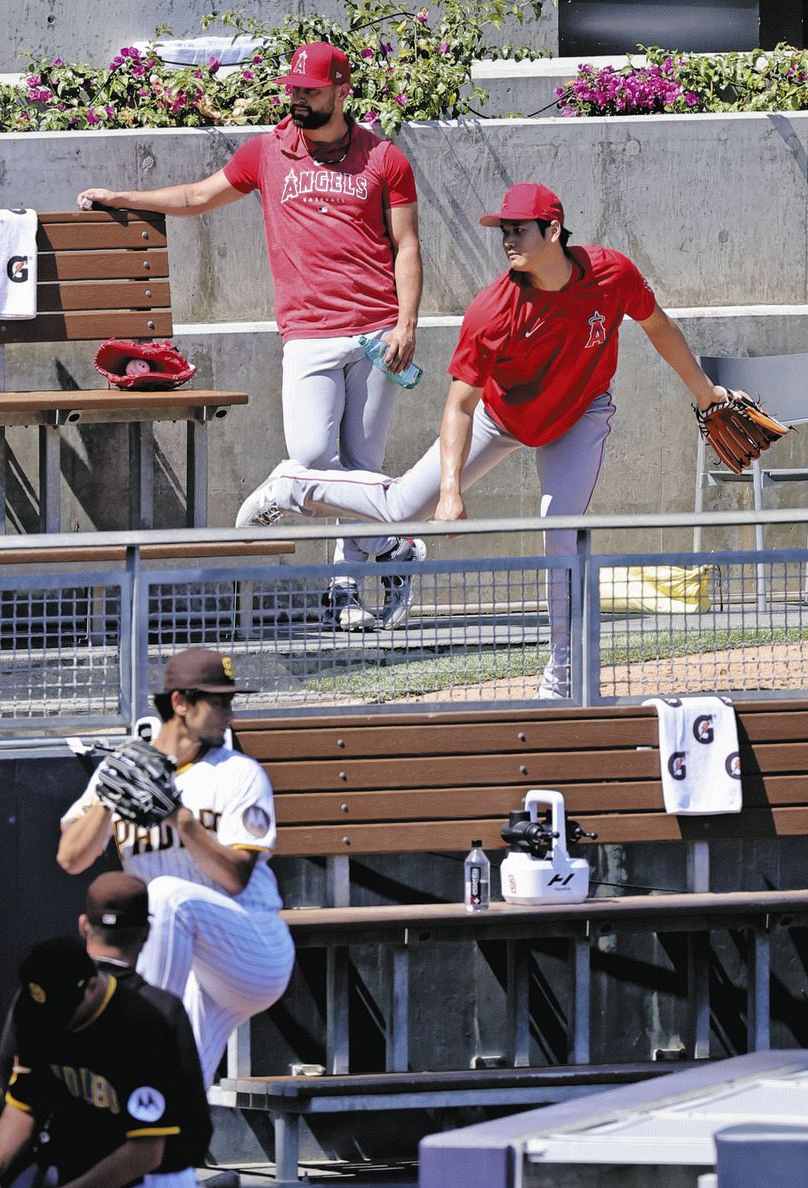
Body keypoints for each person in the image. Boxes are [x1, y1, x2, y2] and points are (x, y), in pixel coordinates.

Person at [235, 182, 728, 698]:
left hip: (578, 415)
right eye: (504, 230)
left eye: (519, 230)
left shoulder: (612, 273)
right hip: (498, 417)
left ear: (553, 230)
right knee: (401, 509)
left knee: (562, 532)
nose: (508, 240)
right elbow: (459, 405)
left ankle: (563, 677)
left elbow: (658, 325)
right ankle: (294, 486)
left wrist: (706, 394)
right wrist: (450, 490)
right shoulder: (493, 309)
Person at [77, 41, 425, 632]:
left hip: (376, 330)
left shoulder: (384, 158)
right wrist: (122, 197)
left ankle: (343, 590)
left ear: (342, 91)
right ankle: (395, 548)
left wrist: (407, 323)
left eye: (310, 91)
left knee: (362, 466)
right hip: (308, 332)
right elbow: (196, 196)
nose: (298, 100)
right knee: (313, 460)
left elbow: (408, 245)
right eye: (293, 90)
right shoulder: (267, 152)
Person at [56, 647, 295, 1087]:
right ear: (181, 702)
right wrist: (106, 801)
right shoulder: (126, 767)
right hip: (183, 962)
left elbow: (235, 878)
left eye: (230, 701)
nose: (229, 713)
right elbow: (71, 858)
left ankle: (138, 1028)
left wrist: (180, 819)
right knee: (172, 1088)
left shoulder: (239, 773)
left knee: (166, 897)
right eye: (218, 702)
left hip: (252, 945)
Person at [0, 936, 202, 1188]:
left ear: (92, 987)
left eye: (61, 1014)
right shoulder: (32, 1012)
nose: (53, 1026)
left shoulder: (140, 1029)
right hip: (77, 1183)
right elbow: (24, 1103)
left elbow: (147, 1152)